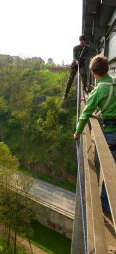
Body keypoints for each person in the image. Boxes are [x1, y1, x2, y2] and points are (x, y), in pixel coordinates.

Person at [74, 55, 116, 213]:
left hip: (111, 132)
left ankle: (106, 205)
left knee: (108, 170)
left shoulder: (99, 90)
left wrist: (77, 132)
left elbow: (85, 114)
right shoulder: (114, 81)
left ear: (93, 72)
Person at [63, 35, 94, 100]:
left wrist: (91, 58)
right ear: (80, 40)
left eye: (84, 40)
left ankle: (84, 87)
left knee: (84, 74)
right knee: (71, 78)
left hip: (81, 64)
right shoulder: (75, 48)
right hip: (75, 64)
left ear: (85, 41)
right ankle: (66, 93)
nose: (83, 42)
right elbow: (74, 56)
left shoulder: (87, 48)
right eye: (82, 40)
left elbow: (91, 53)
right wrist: (77, 61)